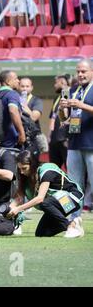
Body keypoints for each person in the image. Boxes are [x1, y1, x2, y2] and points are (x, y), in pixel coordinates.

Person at [9, 150, 84, 238]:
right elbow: (19, 197)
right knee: (41, 233)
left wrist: (19, 209)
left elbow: (40, 198)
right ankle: (75, 222)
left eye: (24, 168)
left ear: (32, 165)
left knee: (44, 202)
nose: (21, 172)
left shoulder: (46, 170)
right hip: (55, 203)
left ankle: (70, 227)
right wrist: (9, 209)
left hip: (73, 199)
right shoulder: (25, 177)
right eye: (19, 169)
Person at [58, 59, 93, 237]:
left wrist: (81, 105)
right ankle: (74, 223)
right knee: (74, 186)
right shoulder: (72, 90)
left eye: (84, 71)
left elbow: (82, 109)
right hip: (74, 143)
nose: (80, 74)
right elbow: (72, 117)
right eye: (78, 71)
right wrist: (64, 114)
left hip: (92, 143)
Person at [0, 70, 26, 148]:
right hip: (11, 143)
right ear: (8, 81)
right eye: (16, 78)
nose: (18, 81)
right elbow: (13, 111)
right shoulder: (12, 94)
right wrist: (21, 133)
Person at [48, 74, 70, 168]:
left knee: (69, 167)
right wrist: (49, 135)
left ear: (62, 82)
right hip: (55, 139)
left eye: (56, 83)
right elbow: (53, 117)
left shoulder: (68, 94)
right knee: (54, 167)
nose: (54, 85)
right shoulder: (57, 99)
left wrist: (68, 137)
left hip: (64, 139)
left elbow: (67, 116)